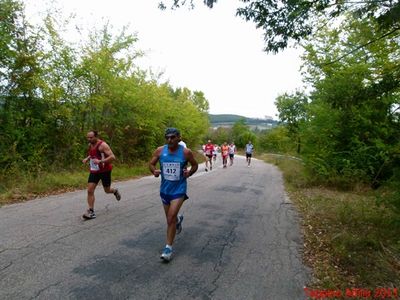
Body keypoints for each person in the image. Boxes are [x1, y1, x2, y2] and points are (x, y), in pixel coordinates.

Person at [149, 127, 198, 262]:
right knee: (171, 219)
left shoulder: (186, 152)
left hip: (179, 190)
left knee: (170, 218)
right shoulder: (160, 150)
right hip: (165, 190)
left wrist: (189, 173)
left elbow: (194, 165)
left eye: (172, 137)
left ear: (179, 138)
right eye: (167, 137)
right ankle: (178, 220)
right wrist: (154, 171)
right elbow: (151, 164)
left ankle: (168, 248)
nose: (169, 140)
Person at [81, 130, 121, 220]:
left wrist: (100, 161)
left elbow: (112, 157)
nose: (89, 139)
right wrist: (87, 158)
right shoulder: (90, 144)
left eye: (91, 137)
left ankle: (114, 191)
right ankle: (91, 212)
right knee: (90, 190)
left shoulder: (103, 145)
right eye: (88, 137)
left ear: (96, 136)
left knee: (107, 190)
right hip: (94, 171)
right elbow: (92, 154)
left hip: (105, 171)